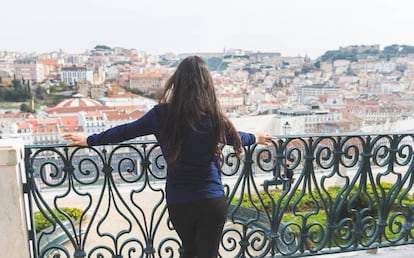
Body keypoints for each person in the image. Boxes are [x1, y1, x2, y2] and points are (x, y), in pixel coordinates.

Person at [63, 56, 273, 258]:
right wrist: (257, 137)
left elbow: (124, 131)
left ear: (177, 82)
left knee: (189, 252)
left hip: (180, 201)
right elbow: (236, 138)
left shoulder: (161, 115)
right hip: (211, 199)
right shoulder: (213, 117)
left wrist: (89, 140)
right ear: (207, 85)